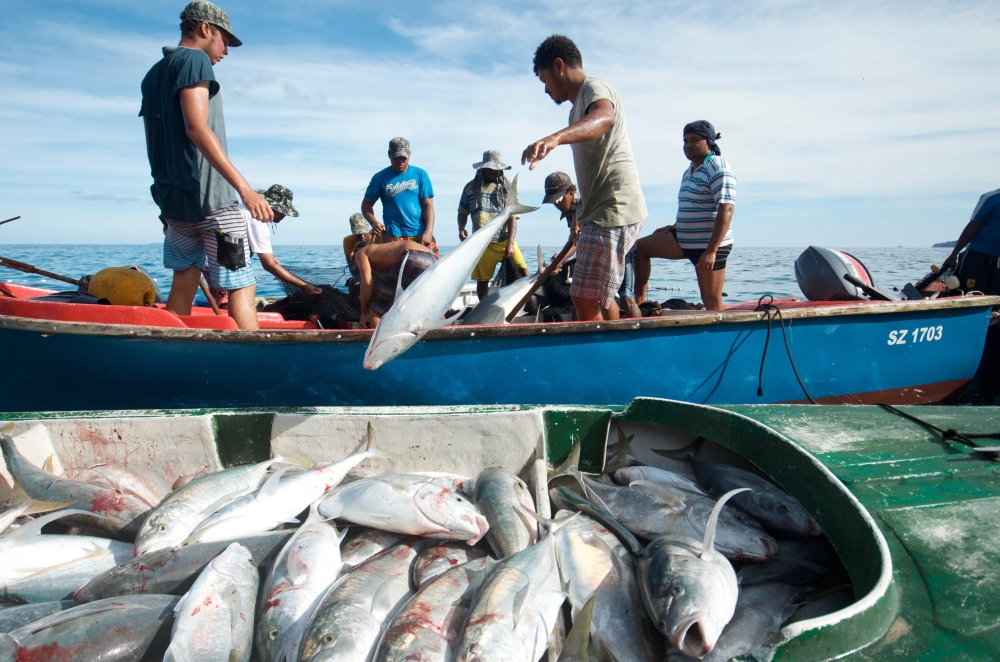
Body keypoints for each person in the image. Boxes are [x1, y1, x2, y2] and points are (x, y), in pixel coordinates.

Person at [140, 1, 271, 330]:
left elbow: (152, 141)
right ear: (204, 29)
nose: (226, 50)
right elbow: (196, 127)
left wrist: (162, 201)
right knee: (241, 280)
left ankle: (171, 352)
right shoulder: (195, 60)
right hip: (214, 203)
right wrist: (245, 190)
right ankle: (251, 359)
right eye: (225, 39)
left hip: (175, 203)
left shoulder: (153, 75)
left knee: (185, 275)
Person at [522, 35, 646, 322]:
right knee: (596, 295)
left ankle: (606, 359)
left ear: (559, 66)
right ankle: (616, 347)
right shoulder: (574, 111)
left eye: (544, 80)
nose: (545, 89)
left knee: (584, 296)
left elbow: (605, 117)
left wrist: (556, 138)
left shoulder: (594, 88)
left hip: (614, 206)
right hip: (598, 211)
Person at [633, 121, 736, 312]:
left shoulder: (719, 167)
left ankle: (715, 337)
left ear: (709, 142)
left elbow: (726, 210)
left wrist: (712, 251)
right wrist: (675, 226)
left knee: (712, 303)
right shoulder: (689, 171)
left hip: (709, 247)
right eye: (685, 141)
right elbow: (692, 204)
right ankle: (639, 304)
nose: (688, 145)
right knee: (639, 248)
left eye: (694, 140)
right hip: (682, 241)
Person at [458, 150, 530, 300]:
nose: (492, 171)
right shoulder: (470, 188)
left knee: (523, 271)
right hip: (482, 243)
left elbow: (513, 217)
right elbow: (462, 211)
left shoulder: (508, 187)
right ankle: (483, 309)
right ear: (483, 168)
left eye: (495, 169)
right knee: (482, 280)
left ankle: (529, 301)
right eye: (489, 168)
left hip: (504, 239)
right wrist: (461, 228)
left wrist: (510, 244)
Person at [361, 137, 438, 255]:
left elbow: (428, 205)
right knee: (394, 272)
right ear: (389, 155)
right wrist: (373, 222)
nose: (400, 161)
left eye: (404, 157)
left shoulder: (420, 174)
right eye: (396, 157)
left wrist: (428, 231)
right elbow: (366, 204)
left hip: (419, 234)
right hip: (392, 237)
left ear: (409, 155)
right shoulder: (379, 177)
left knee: (429, 269)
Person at [241, 185, 321, 296]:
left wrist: (271, 258)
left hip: (216, 262)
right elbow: (268, 264)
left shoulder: (247, 210)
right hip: (223, 265)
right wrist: (304, 286)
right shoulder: (257, 220)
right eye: (281, 210)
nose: (284, 215)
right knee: (244, 290)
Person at [353, 239, 437, 328]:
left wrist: (364, 313)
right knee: (431, 303)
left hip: (412, 256)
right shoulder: (382, 250)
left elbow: (367, 282)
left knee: (376, 307)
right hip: (435, 260)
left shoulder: (360, 253)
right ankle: (443, 332)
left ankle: (380, 341)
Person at [941, 189, 1000, 295]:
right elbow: (973, 226)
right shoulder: (990, 198)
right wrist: (954, 254)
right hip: (978, 256)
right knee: (969, 293)